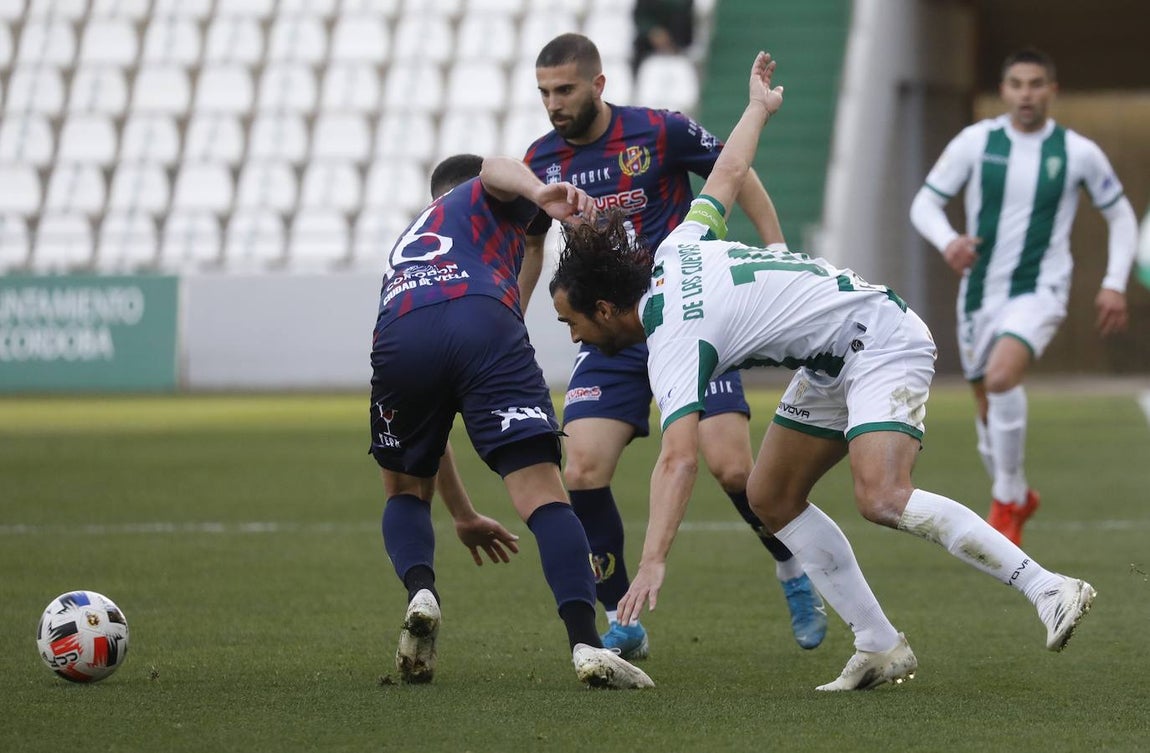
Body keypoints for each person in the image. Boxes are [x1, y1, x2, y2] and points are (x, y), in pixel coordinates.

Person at [550, 51, 1097, 691]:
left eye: (574, 321)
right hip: (831, 357)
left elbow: (678, 460)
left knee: (882, 497)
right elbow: (727, 172)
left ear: (608, 307)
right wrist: (757, 111)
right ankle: (879, 644)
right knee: (770, 497)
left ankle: (1048, 586)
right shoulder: (675, 245)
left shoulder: (671, 337)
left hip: (882, 339)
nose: (575, 334)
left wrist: (650, 563)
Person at [522, 32, 827, 658]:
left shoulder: (658, 131)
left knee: (734, 468)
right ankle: (622, 617)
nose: (554, 104)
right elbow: (530, 243)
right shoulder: (541, 160)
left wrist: (774, 249)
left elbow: (732, 174)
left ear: (598, 85)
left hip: (687, 320)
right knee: (581, 468)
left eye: (565, 90)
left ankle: (791, 568)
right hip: (611, 332)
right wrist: (511, 310)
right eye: (545, 92)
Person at [368, 153, 652, 690]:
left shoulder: (410, 244)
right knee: (543, 495)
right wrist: (540, 191)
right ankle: (586, 644)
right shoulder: (478, 197)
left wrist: (462, 514)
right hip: (483, 320)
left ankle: (421, 593)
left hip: (402, 326)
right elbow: (497, 167)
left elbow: (435, 438)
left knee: (404, 486)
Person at [910, 48, 1138, 546]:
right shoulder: (977, 142)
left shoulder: (1077, 152)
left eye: (1037, 84)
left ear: (1051, 90)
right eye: (1017, 84)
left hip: (1041, 288)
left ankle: (1008, 498)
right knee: (986, 405)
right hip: (979, 293)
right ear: (1005, 90)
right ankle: (1012, 490)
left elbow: (1120, 215)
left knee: (1001, 376)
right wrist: (949, 241)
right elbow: (924, 203)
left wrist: (1114, 283)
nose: (1027, 94)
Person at [632, 0, 695, 75]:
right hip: (647, 45)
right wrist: (653, 31)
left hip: (680, 45)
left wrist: (673, 42)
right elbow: (640, 16)